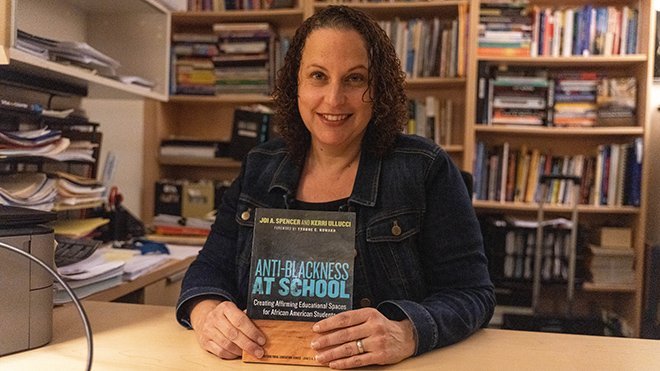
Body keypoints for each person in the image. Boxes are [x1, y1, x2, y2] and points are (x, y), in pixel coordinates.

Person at [176, 5, 495, 369]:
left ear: (379, 87)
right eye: (317, 76)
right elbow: (208, 269)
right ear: (295, 83)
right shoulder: (259, 166)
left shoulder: (425, 169)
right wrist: (207, 314)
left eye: (355, 79)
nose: (333, 99)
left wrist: (407, 331)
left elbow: (473, 293)